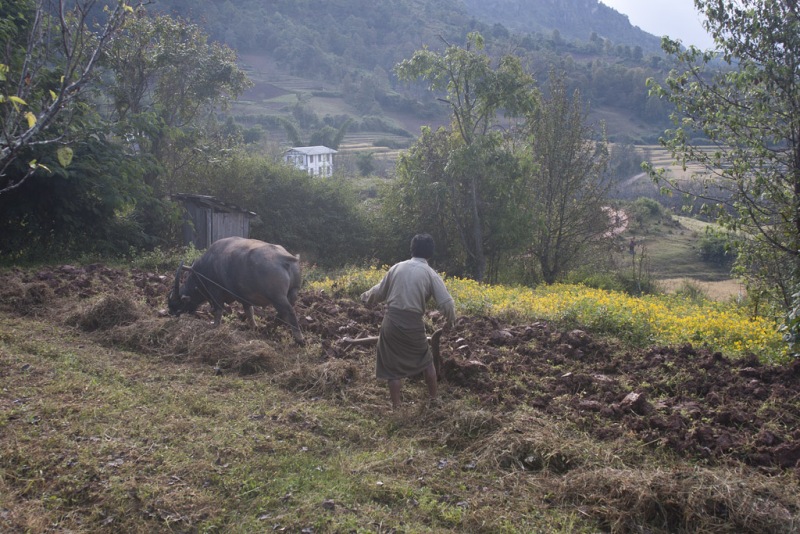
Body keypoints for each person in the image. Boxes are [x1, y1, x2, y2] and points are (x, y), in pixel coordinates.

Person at [361, 234, 456, 409]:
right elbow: (447, 303)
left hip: (391, 322)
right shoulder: (429, 273)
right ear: (430, 254)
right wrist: (450, 324)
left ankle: (396, 407)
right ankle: (434, 400)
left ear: (411, 249)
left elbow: (379, 291)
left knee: (392, 368)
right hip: (413, 324)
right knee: (426, 361)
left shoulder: (397, 267)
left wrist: (365, 297)